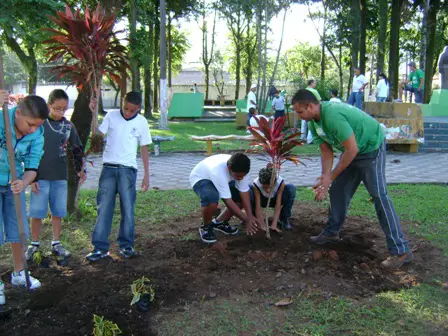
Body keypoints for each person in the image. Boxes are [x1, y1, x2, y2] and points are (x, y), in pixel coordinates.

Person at [291, 89, 412, 269]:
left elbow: (351, 150)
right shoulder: (313, 123)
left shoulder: (332, 116)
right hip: (353, 151)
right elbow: (326, 151)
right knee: (338, 190)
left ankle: (400, 250)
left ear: (311, 106)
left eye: (300, 112)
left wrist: (332, 175)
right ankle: (331, 233)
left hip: (371, 148)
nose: (299, 116)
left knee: (379, 195)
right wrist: (326, 178)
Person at [86, 91, 151, 262]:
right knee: (104, 208)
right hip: (108, 168)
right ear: (122, 103)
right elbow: (97, 136)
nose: (128, 113)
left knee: (128, 209)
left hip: (128, 170)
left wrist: (146, 175)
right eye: (125, 108)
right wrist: (93, 114)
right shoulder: (111, 116)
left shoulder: (142, 122)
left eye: (132, 110)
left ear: (139, 109)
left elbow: (144, 148)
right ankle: (100, 248)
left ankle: (126, 245)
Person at [25, 90, 88, 263]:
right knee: (37, 212)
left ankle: (56, 242)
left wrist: (81, 169)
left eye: (64, 109)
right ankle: (34, 244)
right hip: (40, 176)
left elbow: (77, 148)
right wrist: (31, 177)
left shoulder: (68, 126)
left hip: (60, 176)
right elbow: (28, 150)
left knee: (57, 211)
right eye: (57, 108)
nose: (61, 112)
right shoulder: (39, 125)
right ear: (49, 105)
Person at [0, 91, 49, 304]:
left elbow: (32, 165)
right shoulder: (1, 118)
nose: (34, 129)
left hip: (14, 185)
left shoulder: (37, 135)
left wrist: (24, 181)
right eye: (31, 124)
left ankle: (19, 273)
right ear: (18, 113)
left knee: (18, 231)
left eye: (37, 125)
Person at [189, 153, 260, 244]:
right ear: (229, 168)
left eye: (243, 176)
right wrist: (246, 220)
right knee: (211, 199)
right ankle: (206, 227)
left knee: (241, 197)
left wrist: (250, 216)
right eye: (238, 176)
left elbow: (244, 193)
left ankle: (219, 223)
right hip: (202, 178)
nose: (241, 178)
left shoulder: (242, 169)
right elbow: (228, 201)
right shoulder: (218, 171)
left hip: (223, 179)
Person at [251, 167, 296, 232]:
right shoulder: (256, 184)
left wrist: (274, 225)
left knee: (291, 188)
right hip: (263, 201)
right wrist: (262, 225)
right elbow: (258, 207)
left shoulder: (280, 182)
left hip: (274, 200)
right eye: (264, 187)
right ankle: (255, 219)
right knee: (248, 190)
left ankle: (284, 218)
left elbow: (278, 204)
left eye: (270, 187)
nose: (268, 191)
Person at [302, 79, 321, 144]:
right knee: (311, 124)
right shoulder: (314, 91)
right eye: (314, 83)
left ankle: (302, 138)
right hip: (311, 109)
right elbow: (319, 101)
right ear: (311, 83)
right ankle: (309, 140)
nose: (315, 84)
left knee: (304, 124)